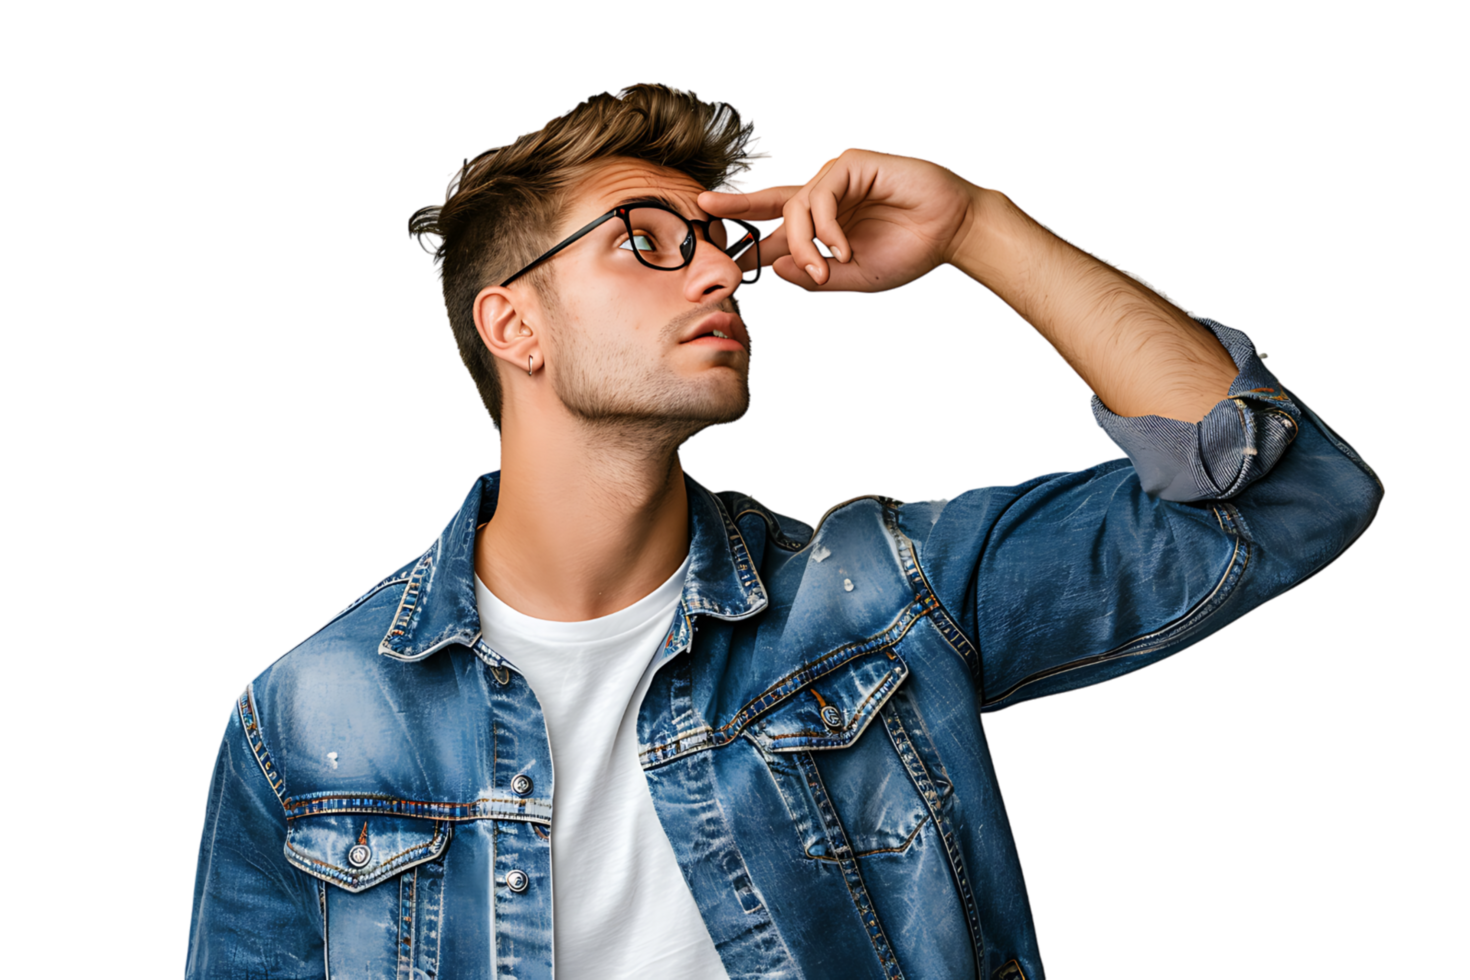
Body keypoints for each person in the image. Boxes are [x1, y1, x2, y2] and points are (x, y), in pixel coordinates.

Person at [183, 83, 1384, 979]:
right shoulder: (309, 717)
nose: (716, 272)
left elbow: (1284, 491)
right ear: (514, 325)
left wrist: (976, 225)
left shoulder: (878, 599)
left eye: (716, 242)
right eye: (646, 237)